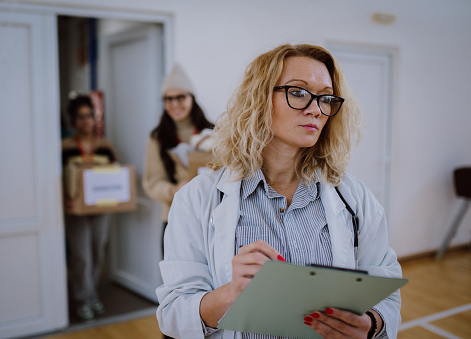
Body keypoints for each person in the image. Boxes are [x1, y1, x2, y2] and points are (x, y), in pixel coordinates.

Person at [156, 44, 402, 339]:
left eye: (325, 97)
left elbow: (385, 286)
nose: (316, 109)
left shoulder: (354, 198)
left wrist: (373, 324)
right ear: (259, 97)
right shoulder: (196, 199)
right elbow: (173, 313)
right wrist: (231, 294)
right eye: (298, 92)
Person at [142, 64, 214, 248]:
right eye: (168, 99)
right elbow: (152, 182)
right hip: (174, 217)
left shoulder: (214, 132)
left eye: (180, 97)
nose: (174, 104)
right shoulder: (157, 138)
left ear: (192, 98)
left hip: (212, 216)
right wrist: (173, 190)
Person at [62, 91, 118, 321]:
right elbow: (57, 178)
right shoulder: (64, 147)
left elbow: (117, 175)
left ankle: (92, 293)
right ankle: (83, 298)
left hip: (101, 209)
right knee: (81, 255)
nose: (86, 120)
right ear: (73, 120)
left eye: (90, 115)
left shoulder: (105, 146)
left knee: (97, 252)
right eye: (80, 116)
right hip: (75, 211)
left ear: (96, 118)